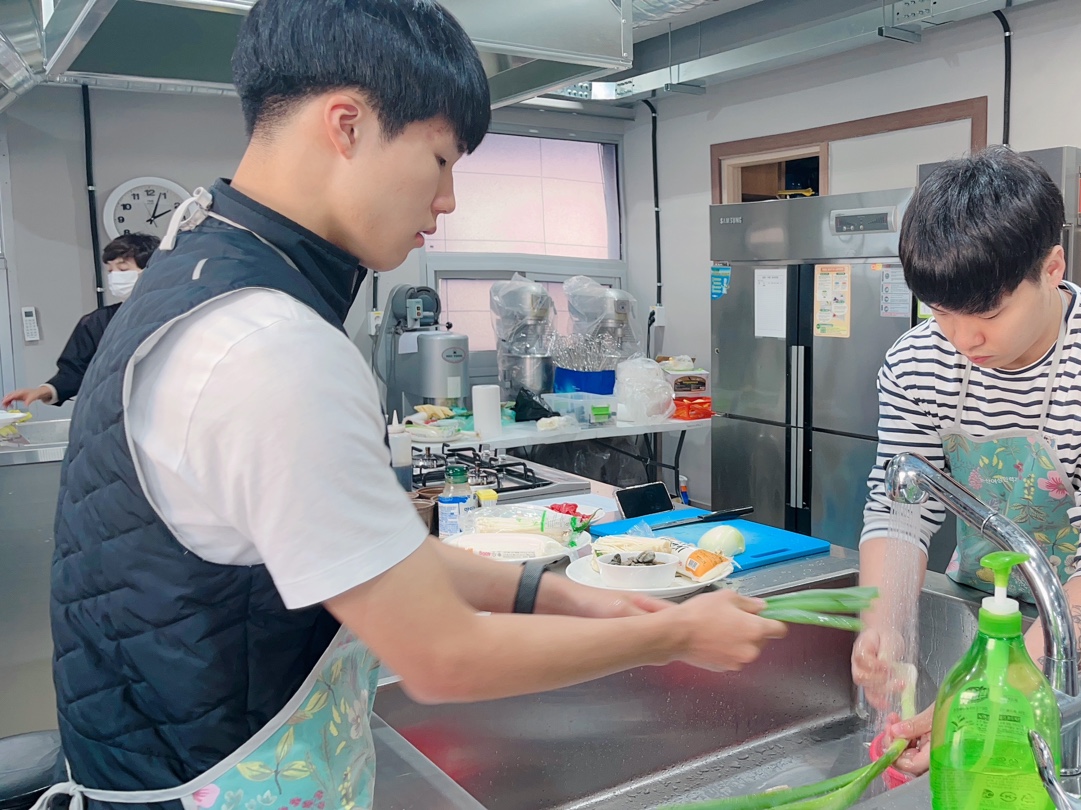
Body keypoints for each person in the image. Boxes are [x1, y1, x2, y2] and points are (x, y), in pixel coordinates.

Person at [42, 3, 785, 810]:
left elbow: (375, 556)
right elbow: (442, 657)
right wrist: (675, 633)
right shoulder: (272, 343)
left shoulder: (196, 273)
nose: (449, 200)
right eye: (439, 159)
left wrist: (562, 594)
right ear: (348, 126)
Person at [851, 146, 1081, 775]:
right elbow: (901, 509)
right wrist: (887, 627)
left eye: (988, 313)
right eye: (941, 312)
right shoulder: (916, 363)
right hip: (988, 603)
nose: (963, 339)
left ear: (1052, 267)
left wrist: (992, 695)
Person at [1, 234, 159, 408]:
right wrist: (42, 391)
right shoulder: (98, 322)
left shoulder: (172, 316)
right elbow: (74, 371)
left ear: (151, 270)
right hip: (116, 411)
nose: (115, 277)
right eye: (110, 271)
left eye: (122, 269)